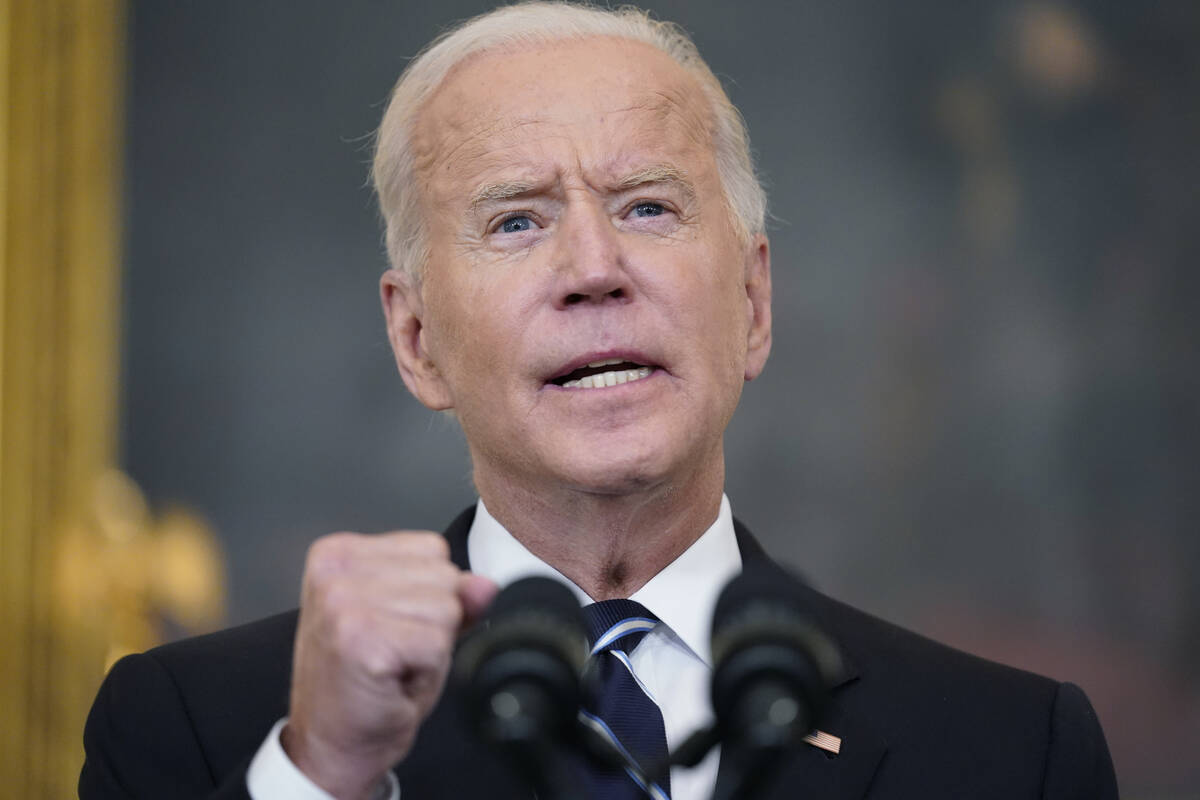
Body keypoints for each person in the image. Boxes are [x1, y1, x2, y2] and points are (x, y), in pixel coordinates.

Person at [79, 3, 1118, 799]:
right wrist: (330, 771)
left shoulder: (1011, 747)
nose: (594, 266)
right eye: (518, 221)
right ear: (417, 338)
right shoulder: (207, 725)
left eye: (648, 206)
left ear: (753, 302)